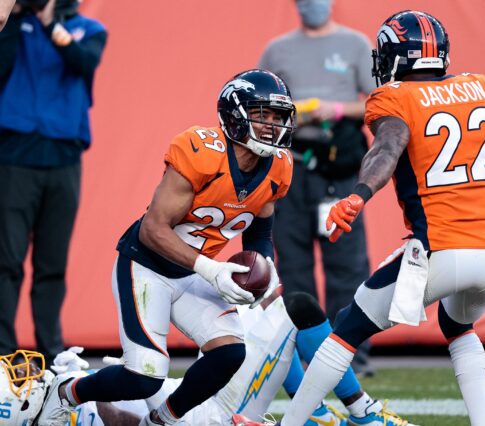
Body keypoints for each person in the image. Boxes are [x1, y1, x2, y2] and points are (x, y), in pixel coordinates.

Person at [234, 10, 485, 426]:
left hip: (437, 252)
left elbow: (386, 150)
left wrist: (358, 195)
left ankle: (292, 423)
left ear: (395, 57)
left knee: (344, 331)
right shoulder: (480, 88)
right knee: (458, 327)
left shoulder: (395, 98)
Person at [37, 69, 297, 426]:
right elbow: (152, 229)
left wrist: (265, 270)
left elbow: (260, 232)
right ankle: (67, 391)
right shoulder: (202, 151)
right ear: (234, 115)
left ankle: (160, 420)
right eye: (262, 114)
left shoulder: (279, 167)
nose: (271, 125)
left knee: (230, 354)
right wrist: (213, 269)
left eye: (278, 117)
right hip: (147, 266)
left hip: (192, 271)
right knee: (143, 377)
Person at [0, 293, 412, 426]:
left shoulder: (59, 408)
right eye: (19, 382)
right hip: (216, 411)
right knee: (297, 310)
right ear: (16, 409)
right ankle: (364, 415)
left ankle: (316, 413)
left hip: (201, 398)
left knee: (255, 313)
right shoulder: (74, 416)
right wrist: (90, 393)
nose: (28, 374)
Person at [257, 0, 375, 374]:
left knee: (347, 261)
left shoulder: (355, 44)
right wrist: (292, 112)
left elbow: (379, 102)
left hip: (337, 169)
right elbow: (260, 106)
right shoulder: (277, 49)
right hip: (290, 166)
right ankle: (299, 347)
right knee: (292, 261)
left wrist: (336, 109)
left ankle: (351, 350)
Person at [0, 0, 107, 366]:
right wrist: (12, 17)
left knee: (52, 262)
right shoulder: (12, 26)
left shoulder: (89, 29)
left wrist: (48, 22)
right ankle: (2, 350)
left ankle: (50, 350)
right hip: (13, 160)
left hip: (63, 162)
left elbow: (83, 62)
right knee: (6, 260)